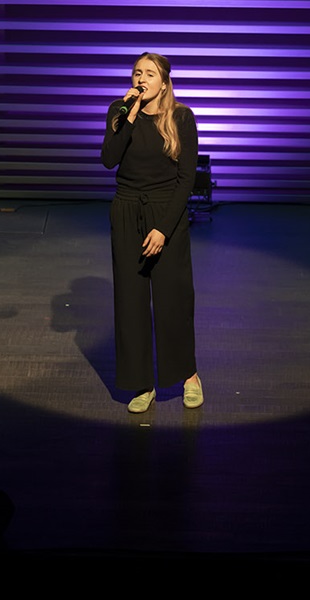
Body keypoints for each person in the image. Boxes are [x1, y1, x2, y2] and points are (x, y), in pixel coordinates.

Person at [100, 52, 202, 412]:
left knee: (173, 299)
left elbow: (186, 179)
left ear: (164, 82)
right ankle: (142, 384)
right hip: (127, 210)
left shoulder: (181, 117)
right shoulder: (119, 110)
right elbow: (109, 159)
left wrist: (163, 228)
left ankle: (188, 375)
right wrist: (127, 115)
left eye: (149, 74)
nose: (141, 79)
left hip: (165, 212)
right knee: (130, 301)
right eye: (136, 73)